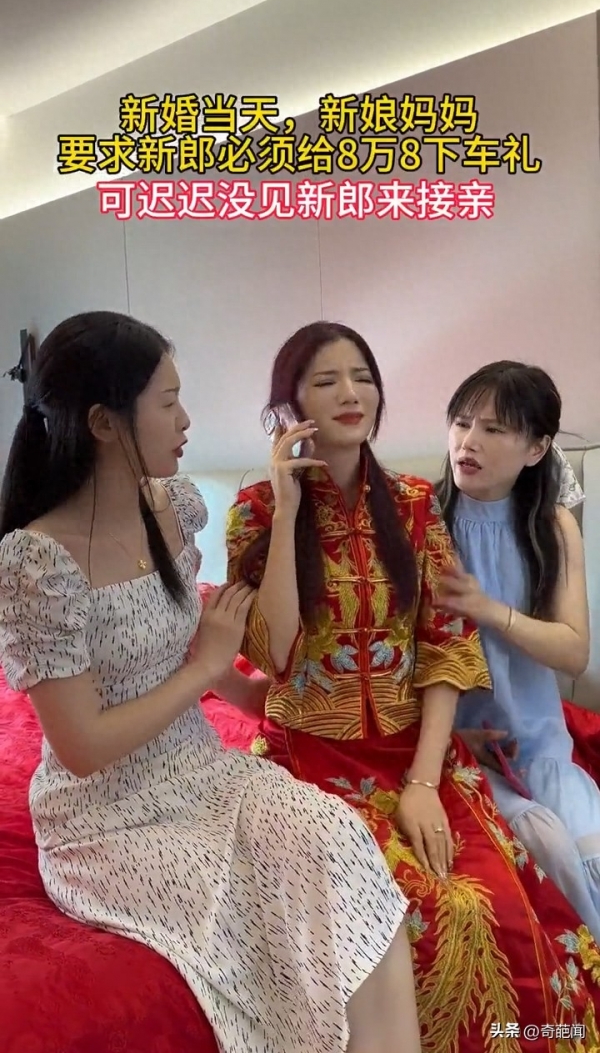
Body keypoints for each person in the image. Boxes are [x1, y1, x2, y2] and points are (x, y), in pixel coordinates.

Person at [0, 311, 423, 1053]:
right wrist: (205, 666)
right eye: (167, 402)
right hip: (108, 817)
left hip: (200, 770)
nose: (186, 420)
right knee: (243, 898)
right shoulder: (36, 561)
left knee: (335, 836)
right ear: (103, 423)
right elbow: (81, 748)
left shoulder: (176, 508)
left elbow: (185, 652)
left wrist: (251, 694)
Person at [225, 321, 600, 1053]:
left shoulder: (415, 503)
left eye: (363, 377)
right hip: (309, 761)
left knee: (495, 907)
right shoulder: (257, 513)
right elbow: (273, 653)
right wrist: (290, 508)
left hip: (417, 756)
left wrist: (425, 781)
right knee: (411, 913)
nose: (350, 393)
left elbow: (447, 650)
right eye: (325, 381)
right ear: (290, 405)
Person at [434, 359, 600, 944]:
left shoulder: (551, 526)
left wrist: (489, 610)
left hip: (539, 746)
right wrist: (451, 740)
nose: (468, 442)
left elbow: (574, 652)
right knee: (545, 848)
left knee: (590, 857)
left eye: (494, 429)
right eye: (460, 423)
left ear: (536, 448)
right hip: (455, 750)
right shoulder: (424, 522)